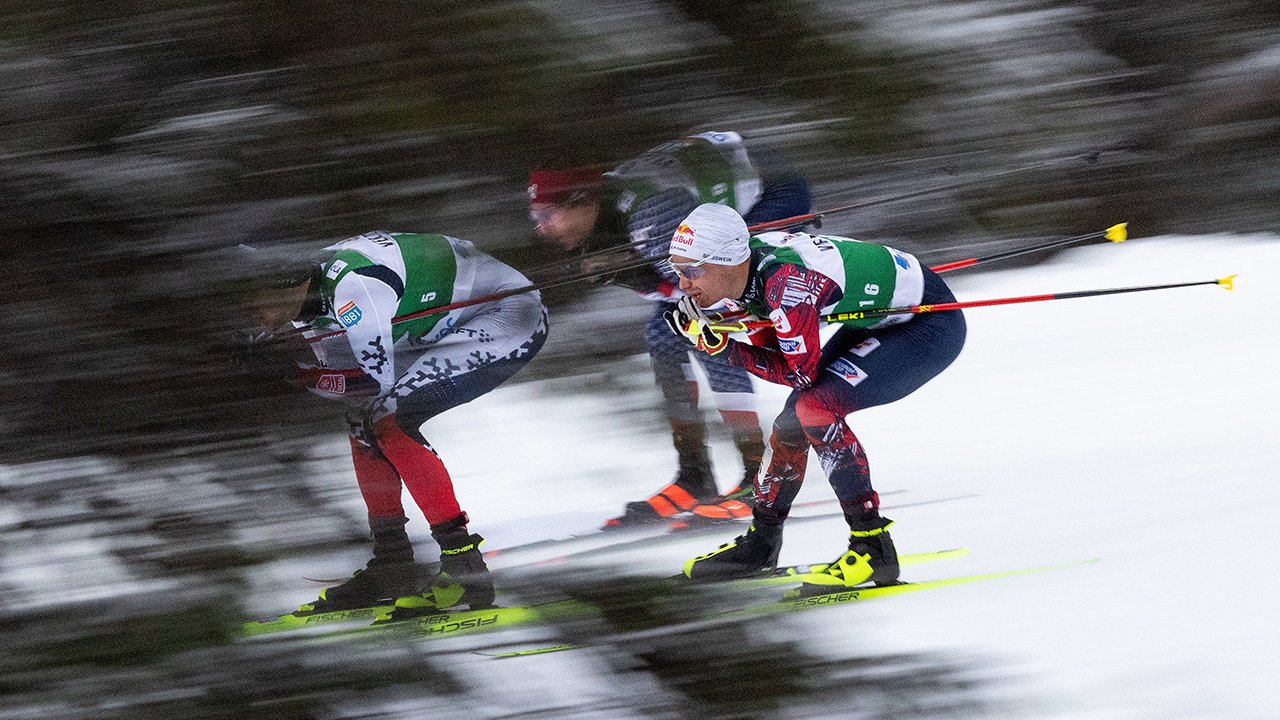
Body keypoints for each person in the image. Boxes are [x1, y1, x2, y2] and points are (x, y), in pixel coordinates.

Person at [237, 231, 548, 613]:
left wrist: (301, 372)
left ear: (285, 284)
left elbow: (372, 383)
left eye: (253, 297)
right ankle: (393, 564)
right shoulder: (311, 297)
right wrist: (298, 366)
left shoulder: (355, 289)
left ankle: (464, 566)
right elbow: (348, 384)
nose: (248, 309)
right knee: (362, 423)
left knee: (390, 420)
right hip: (444, 321)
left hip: (505, 316)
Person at [662, 204, 966, 590]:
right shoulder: (748, 271)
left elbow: (798, 373)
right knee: (790, 423)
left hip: (928, 324)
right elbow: (773, 342)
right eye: (678, 271)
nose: (684, 284)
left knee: (815, 409)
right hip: (881, 316)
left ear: (726, 262)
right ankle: (762, 543)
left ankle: (874, 548)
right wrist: (727, 329)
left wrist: (720, 347)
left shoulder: (786, 286)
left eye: (693, 271)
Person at [528, 131, 812, 526]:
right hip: (723, 182)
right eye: (534, 218)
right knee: (663, 334)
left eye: (547, 216)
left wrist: (635, 278)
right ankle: (696, 475)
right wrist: (635, 275)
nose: (541, 229)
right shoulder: (608, 211)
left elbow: (697, 296)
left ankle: (759, 476)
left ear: (582, 202)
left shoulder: (650, 213)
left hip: (773, 189)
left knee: (705, 329)